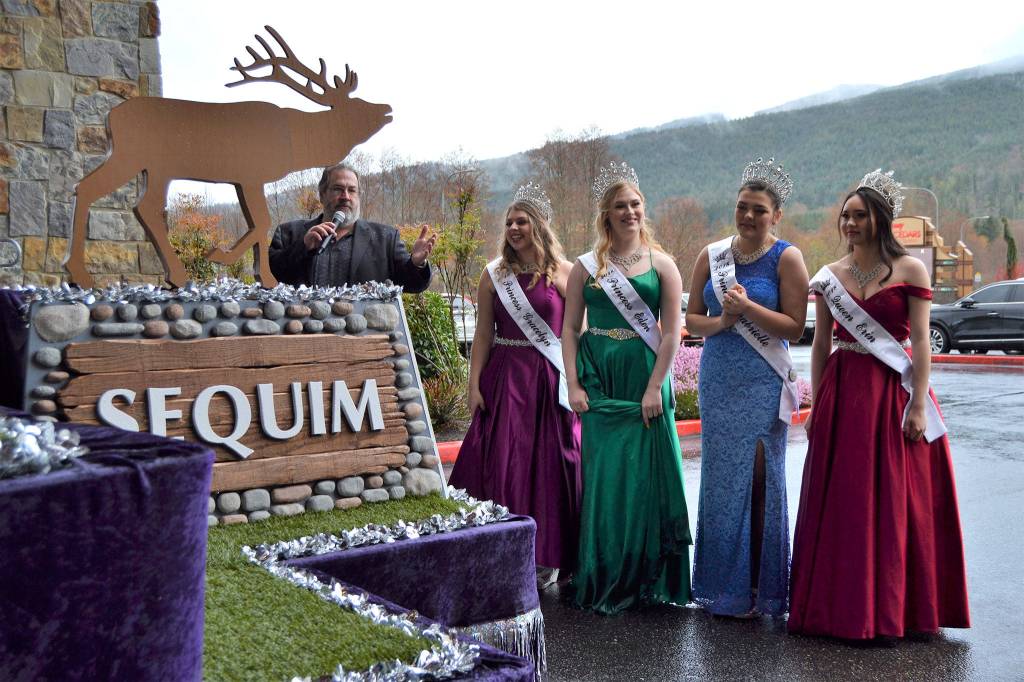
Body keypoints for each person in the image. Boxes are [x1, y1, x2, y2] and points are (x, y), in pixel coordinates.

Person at [789, 170, 970, 640]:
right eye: (845, 216)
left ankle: (894, 611)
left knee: (896, 500)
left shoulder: (911, 269)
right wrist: (817, 402)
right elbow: (821, 346)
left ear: (879, 219)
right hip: (844, 392)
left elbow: (923, 346)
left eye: (859, 215)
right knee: (844, 500)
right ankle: (836, 607)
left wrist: (918, 405)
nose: (850, 223)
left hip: (892, 393)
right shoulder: (829, 276)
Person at [562, 162, 691, 614]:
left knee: (646, 478)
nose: (630, 212)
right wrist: (573, 384)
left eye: (635, 204)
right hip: (600, 382)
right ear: (607, 214)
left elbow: (672, 333)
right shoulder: (585, 267)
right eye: (621, 206)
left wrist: (656, 387)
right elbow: (569, 330)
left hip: (645, 381)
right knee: (605, 480)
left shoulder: (664, 265)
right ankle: (602, 571)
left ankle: (647, 577)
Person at [685, 157, 809, 618]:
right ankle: (722, 587)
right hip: (719, 377)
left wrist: (748, 310)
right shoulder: (712, 255)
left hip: (762, 381)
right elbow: (692, 318)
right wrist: (724, 319)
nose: (749, 216)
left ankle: (760, 586)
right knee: (721, 481)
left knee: (759, 477)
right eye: (742, 207)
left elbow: (795, 327)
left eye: (759, 209)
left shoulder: (787, 257)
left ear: (776, 215)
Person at [448, 183, 582, 584]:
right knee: (505, 461)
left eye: (522, 220)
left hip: (548, 375)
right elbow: (484, 336)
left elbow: (577, 330)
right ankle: (499, 548)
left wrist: (577, 380)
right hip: (505, 375)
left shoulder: (566, 272)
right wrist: (474, 387)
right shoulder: (495, 275)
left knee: (551, 463)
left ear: (538, 225)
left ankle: (549, 554)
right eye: (509, 222)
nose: (514, 227)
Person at [268, 163, 436, 291]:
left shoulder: (385, 238)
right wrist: (303, 247)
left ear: (358, 197)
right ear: (322, 194)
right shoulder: (289, 233)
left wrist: (416, 264)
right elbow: (272, 275)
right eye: (338, 189)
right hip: (305, 331)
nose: (345, 197)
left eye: (352, 190)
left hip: (362, 334)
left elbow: (412, 285)